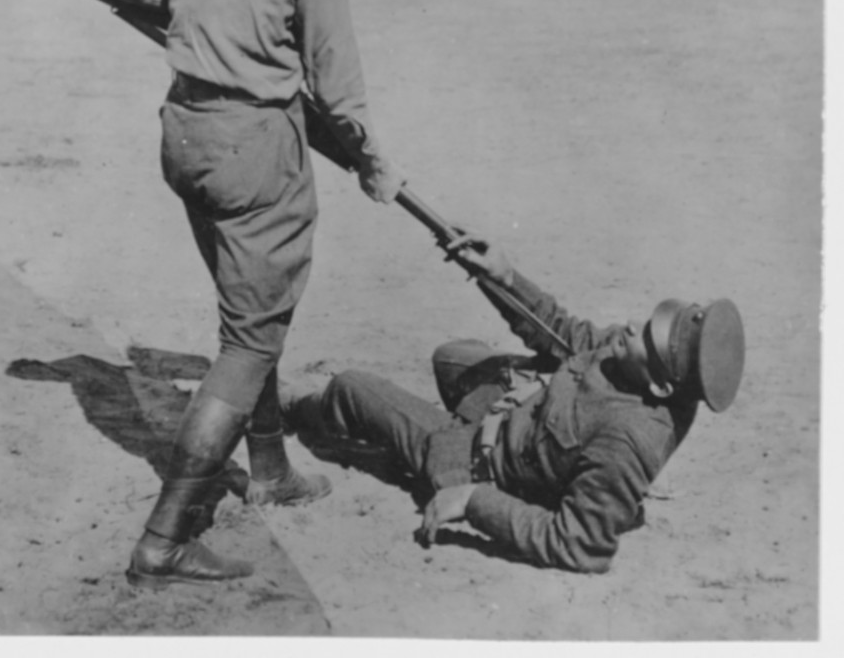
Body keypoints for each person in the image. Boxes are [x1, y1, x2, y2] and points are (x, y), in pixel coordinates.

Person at [81, 0, 406, 587]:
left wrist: (190, 24)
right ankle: (166, 537)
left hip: (185, 136)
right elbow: (338, 89)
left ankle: (267, 467)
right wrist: (373, 162)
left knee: (246, 305)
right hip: (258, 147)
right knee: (253, 332)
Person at [285, 235, 746, 574]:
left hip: (474, 461)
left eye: (646, 336)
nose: (629, 327)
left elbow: (581, 546)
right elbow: (570, 337)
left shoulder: (626, 441)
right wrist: (503, 277)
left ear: (663, 390)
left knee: (352, 387)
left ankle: (299, 406)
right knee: (453, 358)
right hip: (524, 413)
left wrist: (474, 501)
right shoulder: (646, 368)